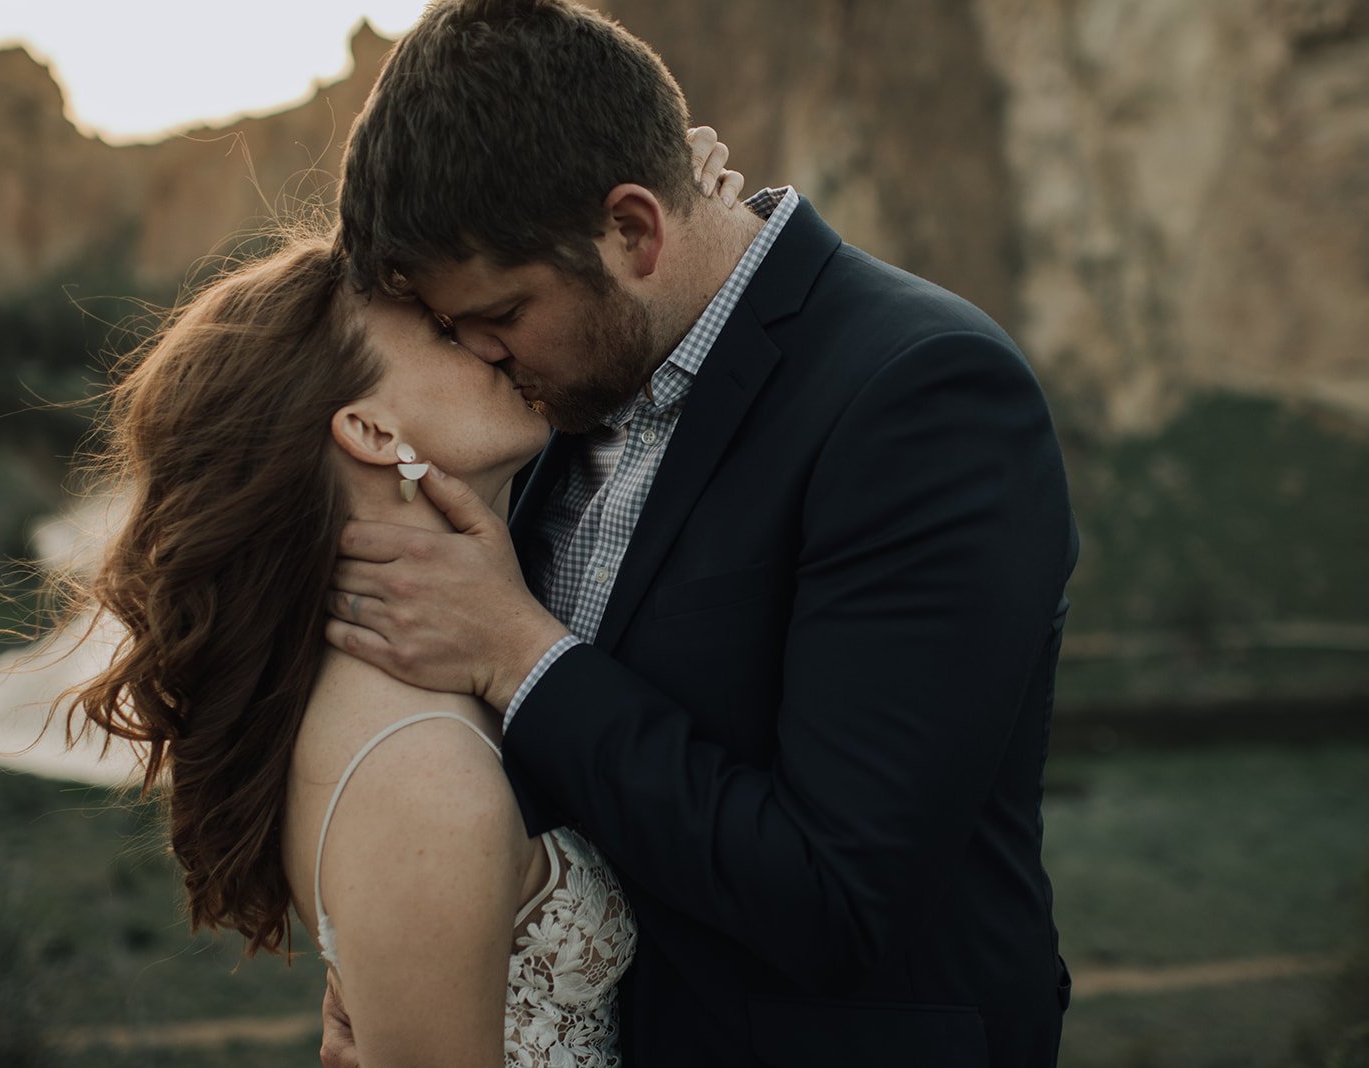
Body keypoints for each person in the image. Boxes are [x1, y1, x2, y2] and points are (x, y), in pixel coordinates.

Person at [322, 1, 1079, 1066]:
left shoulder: (920, 395)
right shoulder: (556, 396)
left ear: (635, 231)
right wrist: (410, 966)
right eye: (453, 330)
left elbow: (837, 896)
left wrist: (518, 654)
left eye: (500, 314)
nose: (481, 354)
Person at [54, 126, 742, 1063]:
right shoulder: (420, 772)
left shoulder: (429, 674)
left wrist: (685, 220)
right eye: (444, 331)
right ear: (373, 432)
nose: (490, 341)